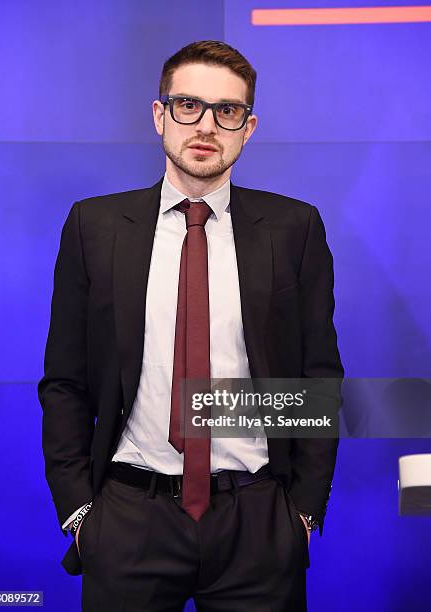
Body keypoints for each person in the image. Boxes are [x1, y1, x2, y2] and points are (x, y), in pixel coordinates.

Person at [37, 40, 344, 612]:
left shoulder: (294, 228)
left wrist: (302, 509)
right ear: (160, 116)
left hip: (257, 520)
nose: (206, 125)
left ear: (247, 128)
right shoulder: (94, 226)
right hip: (130, 517)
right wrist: (80, 510)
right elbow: (65, 381)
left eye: (227, 111)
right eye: (188, 106)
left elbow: (318, 375)